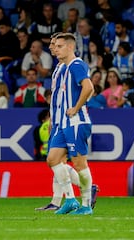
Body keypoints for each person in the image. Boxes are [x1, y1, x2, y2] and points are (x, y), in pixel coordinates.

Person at [47, 32, 94, 215]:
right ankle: (70, 199)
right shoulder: (64, 67)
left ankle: (86, 205)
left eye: (59, 46)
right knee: (52, 159)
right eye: (55, 46)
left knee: (79, 163)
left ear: (70, 47)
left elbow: (89, 87)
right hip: (63, 122)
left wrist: (76, 107)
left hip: (76, 122)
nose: (55, 49)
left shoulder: (76, 65)